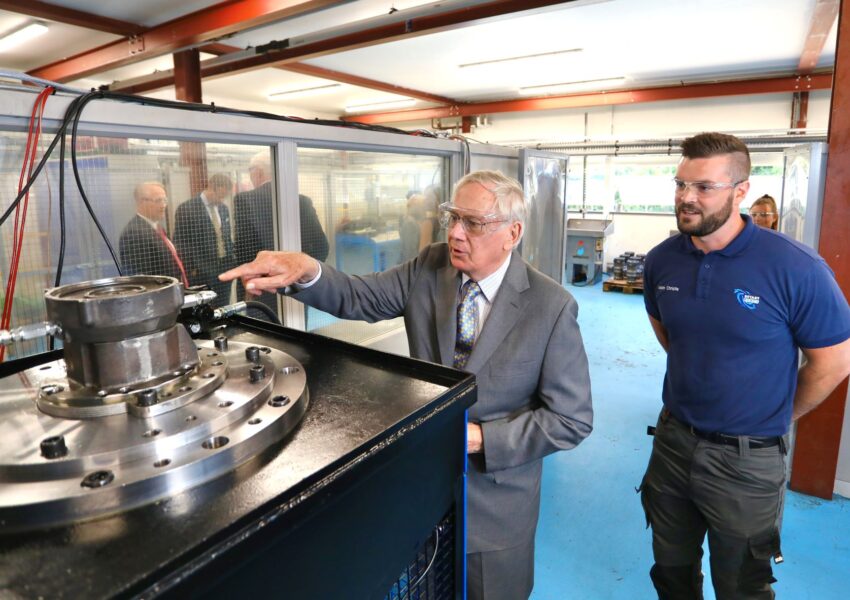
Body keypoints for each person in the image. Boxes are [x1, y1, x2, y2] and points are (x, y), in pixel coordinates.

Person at [220, 170, 593, 600]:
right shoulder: (431, 267)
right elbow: (358, 296)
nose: (455, 233)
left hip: (496, 509)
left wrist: (480, 439)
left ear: (513, 233)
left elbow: (571, 419)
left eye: (473, 223)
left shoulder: (550, 307)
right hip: (422, 499)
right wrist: (308, 271)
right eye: (453, 217)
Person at [640, 132, 850, 599]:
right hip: (673, 442)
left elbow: (834, 363)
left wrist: (777, 416)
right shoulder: (661, 262)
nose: (686, 197)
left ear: (741, 191)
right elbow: (670, 336)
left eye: (704, 187)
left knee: (742, 587)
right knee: (671, 572)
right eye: (681, 184)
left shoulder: (795, 267)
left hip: (747, 460)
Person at [233, 151, 329, 311]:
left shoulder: (245, 200)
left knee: (264, 325)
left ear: (257, 172)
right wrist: (303, 276)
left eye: (250, 171)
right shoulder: (302, 201)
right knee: (295, 325)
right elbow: (322, 246)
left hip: (263, 288)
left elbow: (244, 248)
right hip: (298, 287)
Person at [173, 173, 236, 306]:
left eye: (224, 197)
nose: (222, 200)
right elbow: (180, 243)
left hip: (224, 270)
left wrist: (232, 261)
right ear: (211, 187)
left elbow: (225, 237)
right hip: (202, 272)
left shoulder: (223, 209)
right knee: (206, 307)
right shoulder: (187, 209)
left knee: (224, 306)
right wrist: (193, 269)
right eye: (220, 196)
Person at [119, 181, 188, 286]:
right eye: (158, 200)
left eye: (165, 200)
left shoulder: (157, 227)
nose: (163, 205)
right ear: (142, 202)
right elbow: (143, 280)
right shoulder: (134, 233)